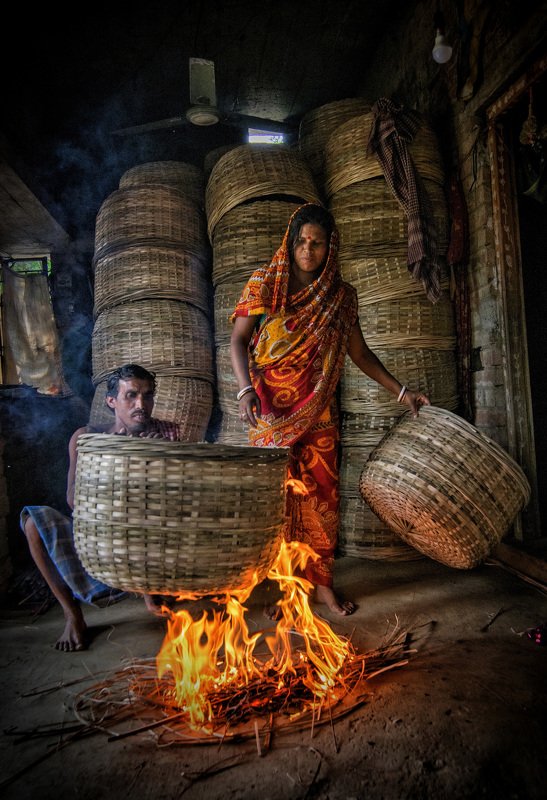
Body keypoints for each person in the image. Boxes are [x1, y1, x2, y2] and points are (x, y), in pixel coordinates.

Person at [230, 203, 430, 617]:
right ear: (291, 241)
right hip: (268, 413)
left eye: (317, 244)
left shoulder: (340, 298)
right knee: (278, 503)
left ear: (330, 248)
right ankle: (286, 591)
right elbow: (237, 341)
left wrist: (402, 392)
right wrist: (245, 390)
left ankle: (323, 587)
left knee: (322, 498)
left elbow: (359, 353)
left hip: (317, 411)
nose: (308, 250)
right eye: (302, 241)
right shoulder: (265, 285)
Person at [20, 364, 182, 652]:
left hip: (144, 541)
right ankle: (73, 615)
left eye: (147, 396)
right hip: (95, 536)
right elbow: (73, 499)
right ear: (111, 401)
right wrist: (126, 466)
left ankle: (150, 592)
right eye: (130, 395)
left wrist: (158, 461)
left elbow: (173, 504)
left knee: (150, 517)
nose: (140, 405)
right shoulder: (87, 438)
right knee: (33, 522)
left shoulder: (166, 435)